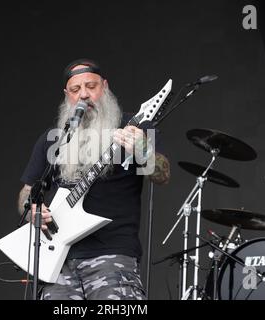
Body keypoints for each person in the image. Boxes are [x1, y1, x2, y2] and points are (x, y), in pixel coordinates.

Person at [18, 58, 170, 300]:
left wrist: (142, 149)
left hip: (113, 257)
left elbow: (162, 175)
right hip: (58, 263)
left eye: (91, 86)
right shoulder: (52, 138)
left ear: (105, 87)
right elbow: (28, 191)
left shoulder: (134, 127)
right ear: (67, 95)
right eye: (76, 89)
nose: (84, 95)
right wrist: (32, 209)